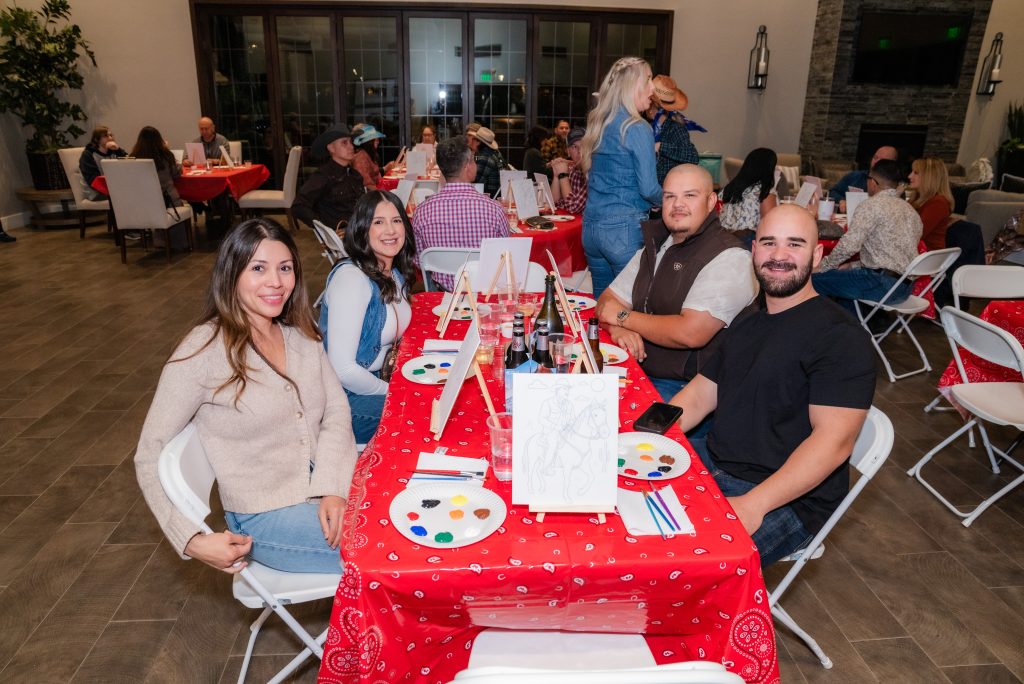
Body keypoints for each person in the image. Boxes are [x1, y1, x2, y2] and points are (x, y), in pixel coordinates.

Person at [134, 218, 358, 575]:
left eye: (285, 268)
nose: (276, 282)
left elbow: (334, 410)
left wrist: (333, 487)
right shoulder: (202, 351)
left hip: (327, 483)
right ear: (232, 274)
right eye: (258, 268)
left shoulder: (300, 334)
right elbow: (149, 454)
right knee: (388, 549)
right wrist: (190, 538)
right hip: (264, 516)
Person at [668, 205, 875, 565]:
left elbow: (834, 443)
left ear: (817, 254)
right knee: (615, 499)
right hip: (717, 462)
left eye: (794, 244)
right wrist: (648, 434)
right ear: (754, 251)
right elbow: (701, 395)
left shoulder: (840, 337)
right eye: (769, 243)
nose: (779, 255)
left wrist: (754, 505)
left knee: (682, 568)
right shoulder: (751, 320)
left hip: (784, 495)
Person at [595, 164, 758, 404]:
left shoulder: (731, 257)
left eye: (690, 195)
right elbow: (606, 301)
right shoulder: (658, 244)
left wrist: (621, 318)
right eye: (670, 196)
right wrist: (618, 329)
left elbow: (690, 333)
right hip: (638, 370)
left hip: (689, 389)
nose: (677, 204)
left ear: (711, 201)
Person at [321, 191, 415, 443]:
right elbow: (342, 369)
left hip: (380, 378)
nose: (391, 230)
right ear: (362, 229)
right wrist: (394, 392)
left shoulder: (392, 271)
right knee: (420, 412)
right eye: (378, 222)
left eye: (396, 221)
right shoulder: (353, 280)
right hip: (346, 398)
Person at [580, 56, 662, 298]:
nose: (652, 88)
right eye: (648, 80)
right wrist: (667, 200)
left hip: (591, 228)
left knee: (601, 307)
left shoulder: (600, 124)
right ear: (634, 85)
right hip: (623, 230)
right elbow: (648, 188)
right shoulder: (636, 128)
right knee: (627, 309)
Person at [812, 159, 922, 312]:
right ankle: (849, 329)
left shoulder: (870, 205)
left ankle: (812, 328)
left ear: (873, 182)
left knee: (811, 280)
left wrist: (822, 266)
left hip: (881, 285)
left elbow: (849, 246)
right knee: (845, 281)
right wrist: (852, 265)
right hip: (904, 288)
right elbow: (892, 254)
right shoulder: (911, 211)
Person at [412, 135, 509, 291]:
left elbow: (419, 260)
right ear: (467, 166)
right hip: (484, 295)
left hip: (441, 298)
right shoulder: (494, 210)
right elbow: (505, 257)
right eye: (474, 160)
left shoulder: (422, 212)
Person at [292, 124, 366, 233]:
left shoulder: (354, 174)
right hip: (343, 237)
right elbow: (298, 206)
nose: (351, 147)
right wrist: (323, 229)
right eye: (344, 143)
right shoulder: (323, 176)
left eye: (351, 142)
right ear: (331, 148)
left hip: (361, 229)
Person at [718, 147, 779, 248]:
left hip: (723, 237)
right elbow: (770, 223)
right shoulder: (764, 191)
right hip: (746, 240)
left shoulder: (730, 187)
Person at [651, 75, 699, 184]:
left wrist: (660, 146)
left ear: (652, 104)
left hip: (667, 193)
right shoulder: (648, 127)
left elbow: (693, 157)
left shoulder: (675, 128)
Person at [130, 126, 184, 208]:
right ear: (159, 140)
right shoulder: (166, 155)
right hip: (168, 202)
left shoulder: (134, 157)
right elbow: (176, 174)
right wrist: (177, 163)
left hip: (143, 204)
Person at [908, 157, 954, 251]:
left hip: (926, 258)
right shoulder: (916, 199)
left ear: (929, 177)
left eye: (916, 173)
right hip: (913, 252)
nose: (909, 176)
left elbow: (916, 233)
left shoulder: (938, 203)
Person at [828, 145, 898, 205]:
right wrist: (841, 200)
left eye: (882, 160)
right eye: (875, 157)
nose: (876, 162)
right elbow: (833, 192)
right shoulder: (855, 176)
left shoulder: (894, 187)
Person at [79, 125, 127, 200]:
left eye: (111, 135)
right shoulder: (88, 154)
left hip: (113, 189)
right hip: (95, 192)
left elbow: (129, 164)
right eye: (106, 136)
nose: (110, 138)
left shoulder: (114, 151)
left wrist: (118, 150)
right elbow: (93, 180)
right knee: (125, 196)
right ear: (96, 139)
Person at [549, 126, 588, 216]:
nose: (580, 151)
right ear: (568, 151)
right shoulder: (574, 171)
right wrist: (556, 174)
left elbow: (573, 207)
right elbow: (556, 204)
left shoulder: (593, 172)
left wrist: (563, 175)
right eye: (574, 147)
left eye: (584, 145)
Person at [350, 123, 395, 190]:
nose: (378, 141)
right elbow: (367, 185)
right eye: (375, 139)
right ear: (368, 142)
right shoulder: (360, 158)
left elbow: (373, 174)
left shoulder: (368, 153)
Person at [467, 126, 506, 196]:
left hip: (490, 196)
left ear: (478, 142)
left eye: (473, 139)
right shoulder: (494, 153)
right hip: (497, 194)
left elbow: (475, 181)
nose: (470, 142)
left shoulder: (485, 158)